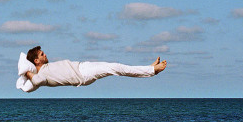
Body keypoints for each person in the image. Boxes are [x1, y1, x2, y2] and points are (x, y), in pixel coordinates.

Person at [16, 45, 166, 92]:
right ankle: (152, 71)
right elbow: (35, 81)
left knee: (114, 66)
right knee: (115, 67)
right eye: (42, 54)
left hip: (83, 66)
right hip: (83, 75)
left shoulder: (46, 68)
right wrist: (27, 71)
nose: (45, 54)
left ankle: (149, 69)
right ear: (36, 60)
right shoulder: (41, 76)